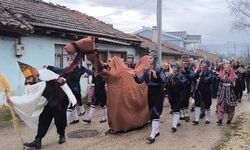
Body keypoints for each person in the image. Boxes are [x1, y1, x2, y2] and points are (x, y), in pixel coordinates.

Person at [15, 62, 76, 149]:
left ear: (35, 76)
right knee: (43, 119)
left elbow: (61, 78)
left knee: (59, 120)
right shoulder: (31, 85)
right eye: (27, 79)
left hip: (60, 100)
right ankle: (38, 141)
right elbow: (27, 97)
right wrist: (12, 100)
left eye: (29, 78)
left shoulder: (46, 75)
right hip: (49, 102)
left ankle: (62, 135)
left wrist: (61, 81)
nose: (28, 81)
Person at [44, 55, 86, 125]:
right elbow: (59, 70)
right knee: (71, 104)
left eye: (71, 60)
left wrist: (66, 76)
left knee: (70, 105)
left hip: (75, 89)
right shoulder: (68, 69)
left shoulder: (77, 69)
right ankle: (76, 119)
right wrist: (49, 67)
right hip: (69, 88)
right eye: (68, 60)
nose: (69, 62)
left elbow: (75, 77)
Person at [134, 50, 166, 143]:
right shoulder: (146, 69)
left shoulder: (159, 69)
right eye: (148, 58)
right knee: (151, 111)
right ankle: (157, 130)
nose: (149, 59)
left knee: (155, 112)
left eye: (151, 58)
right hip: (150, 92)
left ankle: (152, 135)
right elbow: (140, 81)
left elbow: (164, 80)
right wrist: (134, 76)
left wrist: (157, 77)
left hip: (159, 92)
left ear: (155, 59)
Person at [166, 63, 187, 132]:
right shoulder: (170, 76)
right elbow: (167, 86)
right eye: (173, 67)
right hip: (171, 95)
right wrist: (168, 95)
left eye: (175, 67)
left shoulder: (181, 76)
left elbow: (183, 85)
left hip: (178, 95)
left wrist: (176, 79)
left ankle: (174, 126)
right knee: (173, 109)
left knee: (176, 110)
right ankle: (177, 121)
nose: (174, 69)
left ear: (178, 69)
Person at [193, 60, 213, 125]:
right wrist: (197, 70)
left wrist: (201, 78)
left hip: (206, 90)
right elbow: (193, 77)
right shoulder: (199, 71)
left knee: (207, 105)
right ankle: (196, 119)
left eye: (204, 63)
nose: (203, 64)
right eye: (202, 63)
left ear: (207, 64)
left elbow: (209, 79)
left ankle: (207, 119)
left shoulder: (210, 71)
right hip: (199, 90)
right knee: (197, 104)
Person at [180, 57, 196, 122]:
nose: (185, 63)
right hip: (180, 87)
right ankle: (182, 115)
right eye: (184, 62)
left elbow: (193, 75)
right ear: (182, 63)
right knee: (180, 100)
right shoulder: (180, 69)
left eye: (187, 62)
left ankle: (186, 115)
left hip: (187, 87)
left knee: (185, 100)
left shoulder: (190, 69)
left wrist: (186, 73)